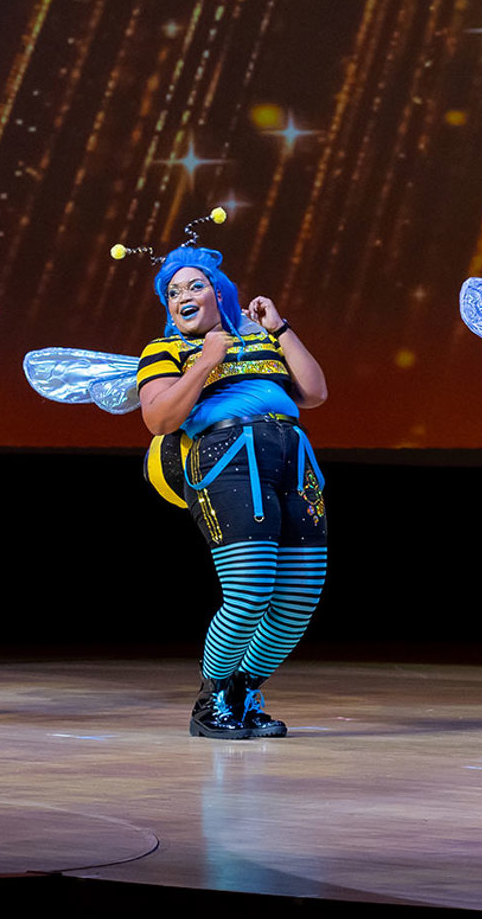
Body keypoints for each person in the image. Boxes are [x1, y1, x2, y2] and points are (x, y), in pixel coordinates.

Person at [128, 219, 330, 740]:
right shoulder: (165, 350)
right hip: (228, 457)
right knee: (250, 590)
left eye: (194, 285)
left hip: (293, 456)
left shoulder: (263, 340)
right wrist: (205, 363)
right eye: (173, 292)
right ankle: (210, 701)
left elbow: (314, 393)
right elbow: (159, 419)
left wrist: (280, 328)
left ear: (220, 293)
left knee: (300, 595)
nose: (182, 297)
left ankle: (243, 693)